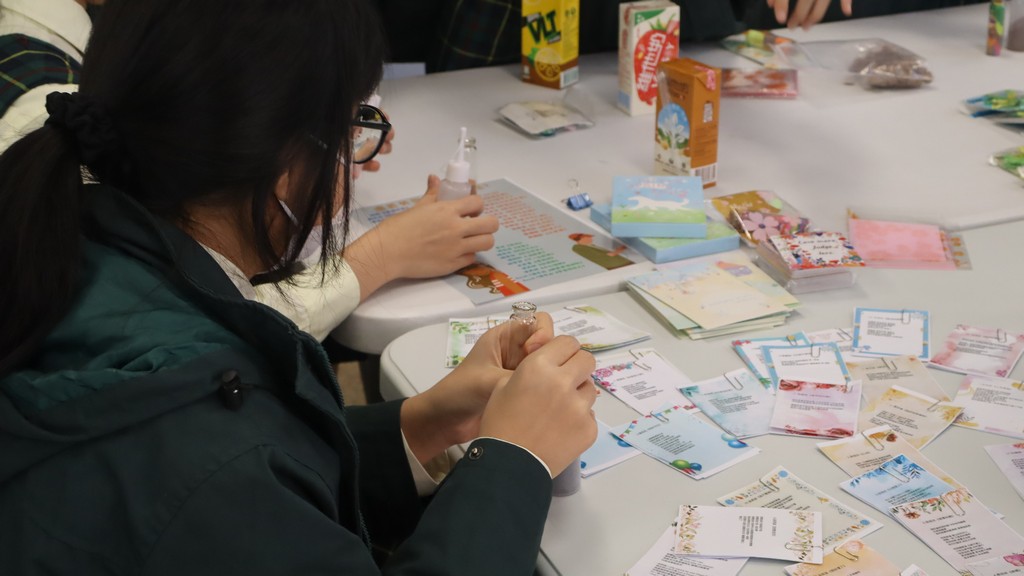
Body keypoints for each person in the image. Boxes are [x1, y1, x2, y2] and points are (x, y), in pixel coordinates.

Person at [0, 1, 598, 575]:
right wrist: (514, 461)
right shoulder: (203, 453)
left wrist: (424, 423)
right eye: (355, 129)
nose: (356, 156)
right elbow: (231, 480)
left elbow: (268, 502)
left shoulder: (79, 243)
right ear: (288, 168)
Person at [0, 0, 495, 347]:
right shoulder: (178, 347)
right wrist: (381, 255)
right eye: (347, 129)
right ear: (283, 163)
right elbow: (226, 334)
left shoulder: (95, 81)